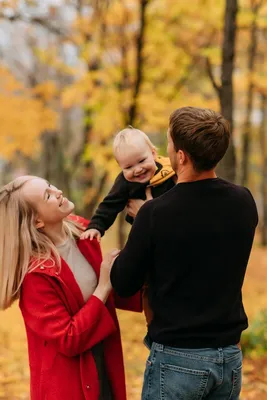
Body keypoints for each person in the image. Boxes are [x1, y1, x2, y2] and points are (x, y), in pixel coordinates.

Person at [110, 107, 258, 399]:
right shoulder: (243, 200)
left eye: (168, 142)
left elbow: (123, 282)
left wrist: (141, 222)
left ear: (181, 156)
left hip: (178, 360)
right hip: (229, 358)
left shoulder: (154, 214)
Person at [0, 175, 142, 400]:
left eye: (49, 185)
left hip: (103, 362)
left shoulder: (82, 231)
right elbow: (68, 338)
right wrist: (103, 287)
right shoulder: (36, 274)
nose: (57, 191)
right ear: (37, 221)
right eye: (47, 195)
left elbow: (113, 291)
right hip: (69, 384)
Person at [81, 126, 176, 242]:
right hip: (143, 232)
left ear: (153, 154)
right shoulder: (125, 182)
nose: (137, 170)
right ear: (121, 167)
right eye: (129, 167)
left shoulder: (170, 169)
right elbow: (109, 205)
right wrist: (95, 226)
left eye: (141, 161)